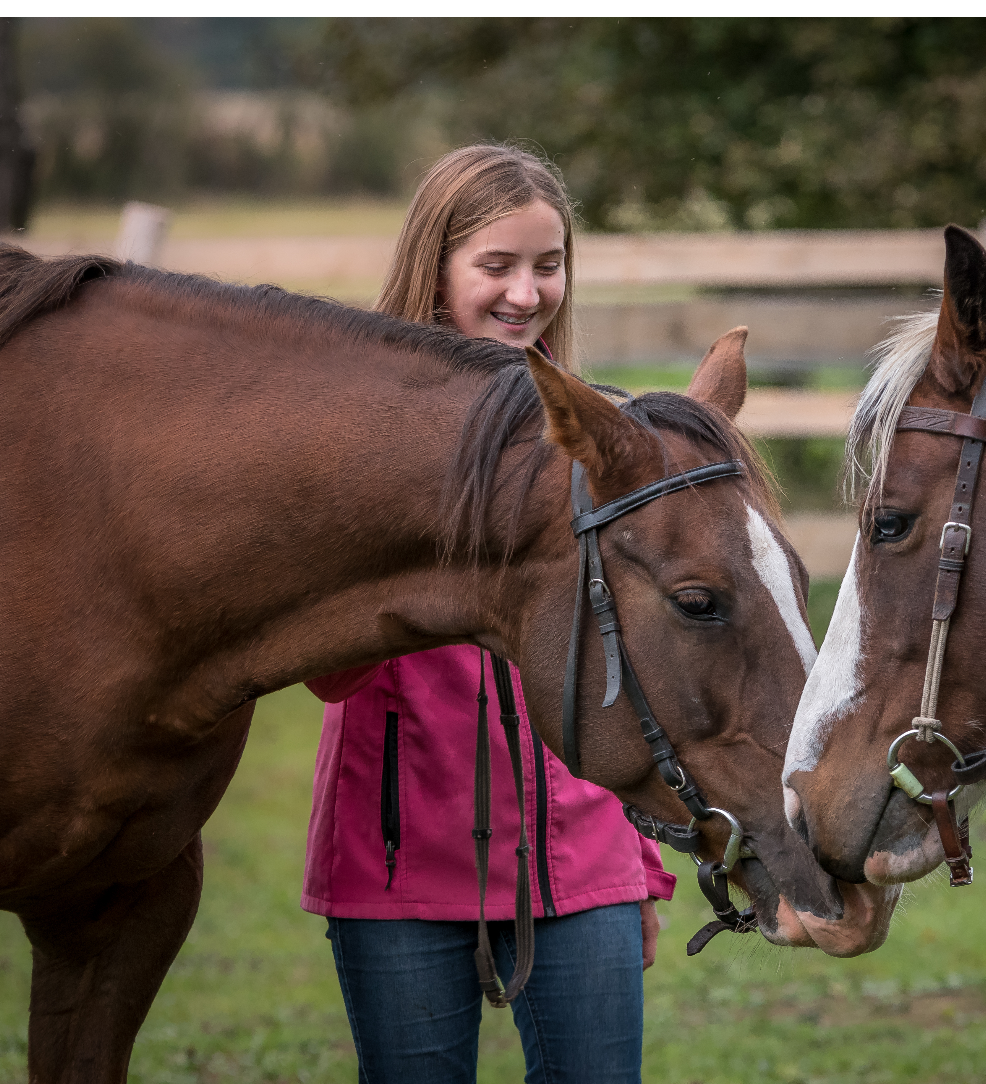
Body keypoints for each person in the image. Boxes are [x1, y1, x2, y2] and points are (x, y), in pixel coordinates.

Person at [297, 143, 670, 1084]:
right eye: (495, 266)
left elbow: (631, 671)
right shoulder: (357, 441)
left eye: (548, 266)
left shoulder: (593, 436)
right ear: (437, 266)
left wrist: (640, 871)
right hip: (398, 860)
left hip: (580, 863)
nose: (525, 293)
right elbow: (327, 670)